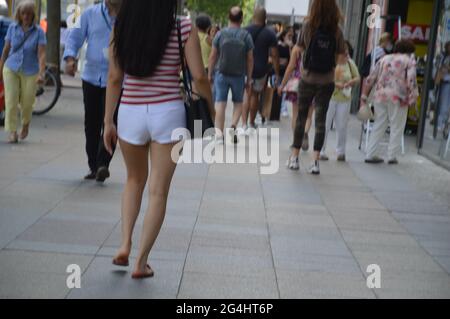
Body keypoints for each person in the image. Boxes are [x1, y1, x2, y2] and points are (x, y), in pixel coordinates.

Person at [103, 0, 213, 279]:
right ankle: (141, 262)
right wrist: (211, 110)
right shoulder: (182, 26)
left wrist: (107, 121)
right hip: (168, 112)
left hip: (130, 111)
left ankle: (125, 243)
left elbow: (115, 77)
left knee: (133, 180)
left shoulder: (121, 26)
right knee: (158, 191)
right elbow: (199, 76)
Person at [63, 0, 122, 183]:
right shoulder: (90, 13)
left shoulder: (129, 14)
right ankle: (93, 164)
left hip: (119, 79)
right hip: (92, 77)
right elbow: (74, 36)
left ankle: (103, 163)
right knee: (92, 123)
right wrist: (70, 58)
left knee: (112, 121)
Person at [286, 0, 346, 174]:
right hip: (326, 80)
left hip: (307, 78)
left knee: (301, 118)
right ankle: (315, 162)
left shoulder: (308, 26)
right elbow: (342, 56)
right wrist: (332, 64)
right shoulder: (337, 30)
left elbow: (298, 49)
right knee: (321, 121)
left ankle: (295, 158)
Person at [362, 40, 418, 165]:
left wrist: (365, 95)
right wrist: (413, 98)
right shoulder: (409, 61)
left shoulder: (384, 59)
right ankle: (392, 156)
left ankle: (370, 153)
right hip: (398, 97)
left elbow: (371, 77)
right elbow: (411, 81)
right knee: (397, 126)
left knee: (379, 123)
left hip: (380, 95)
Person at [0, 1, 46, 143]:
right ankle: (12, 132)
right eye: (23, 13)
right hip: (11, 67)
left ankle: (25, 124)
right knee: (11, 100)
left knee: (27, 102)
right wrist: (1, 68)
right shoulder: (12, 28)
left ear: (33, 14)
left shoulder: (39, 32)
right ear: (19, 14)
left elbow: (41, 54)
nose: (25, 16)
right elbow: (6, 49)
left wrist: (41, 73)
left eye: (28, 13)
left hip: (30, 69)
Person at [208, 6, 254, 144]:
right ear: (241, 19)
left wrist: (210, 73)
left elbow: (213, 56)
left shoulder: (220, 35)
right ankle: (233, 125)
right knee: (238, 102)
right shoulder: (246, 36)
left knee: (220, 103)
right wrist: (249, 78)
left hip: (221, 73)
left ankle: (219, 136)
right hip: (239, 75)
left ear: (228, 17)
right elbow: (250, 59)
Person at [320, 41, 360, 162]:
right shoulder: (330, 62)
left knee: (342, 126)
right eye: (344, 51)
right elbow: (324, 77)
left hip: (345, 98)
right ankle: (321, 150)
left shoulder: (350, 63)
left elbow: (357, 77)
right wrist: (336, 84)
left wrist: (351, 82)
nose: (346, 53)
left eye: (347, 50)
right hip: (329, 97)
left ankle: (341, 151)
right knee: (325, 124)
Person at [241, 7, 279, 133]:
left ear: (253, 17)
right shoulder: (270, 33)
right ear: (265, 19)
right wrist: (277, 72)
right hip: (261, 69)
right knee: (255, 95)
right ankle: (251, 123)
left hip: (245, 68)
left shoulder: (244, 31)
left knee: (246, 94)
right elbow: (274, 54)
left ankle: (243, 124)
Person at [435, 41, 450, 133]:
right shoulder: (443, 56)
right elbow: (439, 66)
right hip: (443, 81)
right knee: (441, 103)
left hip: (447, 81)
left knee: (445, 104)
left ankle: (442, 123)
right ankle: (440, 123)